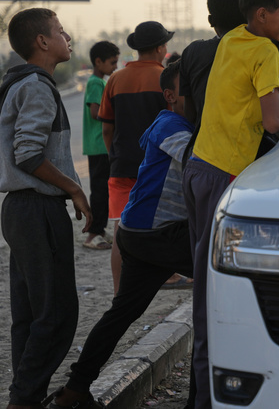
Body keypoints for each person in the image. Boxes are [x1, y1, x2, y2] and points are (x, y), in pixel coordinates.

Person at [183, 0, 279, 409]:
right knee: (215, 299)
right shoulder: (264, 50)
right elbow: (273, 121)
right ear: (263, 15)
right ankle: (207, 400)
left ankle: (197, 393)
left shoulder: (235, 38)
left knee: (205, 289)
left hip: (199, 168)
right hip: (227, 175)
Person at [49, 61, 196, 409]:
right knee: (220, 281)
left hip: (139, 233)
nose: (199, 93)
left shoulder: (174, 122)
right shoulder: (172, 126)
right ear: (171, 97)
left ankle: (75, 390)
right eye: (192, 88)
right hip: (155, 234)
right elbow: (203, 162)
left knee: (121, 313)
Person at [1, 8, 91, 409]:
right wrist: (74, 188)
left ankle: (26, 396)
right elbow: (27, 153)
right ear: (42, 42)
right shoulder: (36, 85)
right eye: (59, 31)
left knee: (30, 314)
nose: (67, 36)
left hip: (18, 210)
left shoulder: (15, 81)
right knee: (55, 315)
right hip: (37, 210)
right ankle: (23, 400)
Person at [98, 20, 173, 293]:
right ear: (160, 48)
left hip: (121, 166)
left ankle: (120, 291)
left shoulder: (116, 79)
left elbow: (107, 127)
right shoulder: (164, 78)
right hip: (156, 167)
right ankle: (166, 278)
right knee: (163, 225)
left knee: (121, 230)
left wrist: (114, 156)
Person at [179, 0, 246, 126]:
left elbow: (189, 114)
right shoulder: (259, 49)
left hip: (203, 144)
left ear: (211, 20)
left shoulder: (192, 52)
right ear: (249, 15)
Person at [82, 40, 119, 250]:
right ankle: (93, 234)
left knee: (103, 191)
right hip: (99, 145)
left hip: (100, 146)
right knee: (100, 192)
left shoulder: (101, 82)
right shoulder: (96, 83)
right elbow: (96, 112)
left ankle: (99, 230)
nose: (115, 67)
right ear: (99, 62)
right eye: (112, 62)